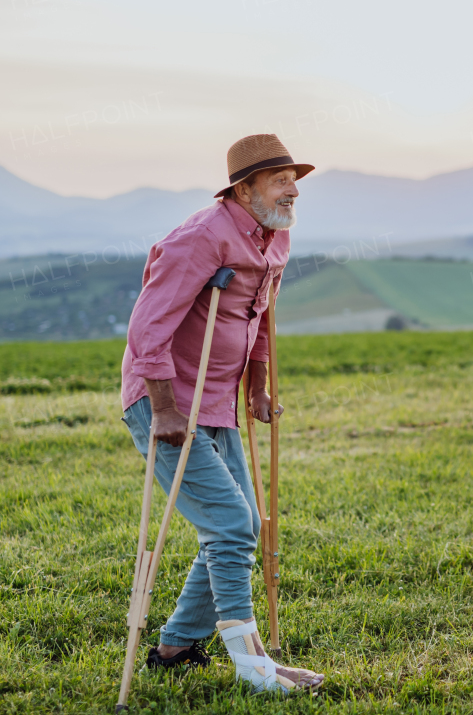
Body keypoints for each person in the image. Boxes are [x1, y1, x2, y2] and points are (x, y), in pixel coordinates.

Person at [119, 134, 323, 694]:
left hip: (217, 401)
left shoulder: (274, 239)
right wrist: (161, 409)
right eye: (280, 177)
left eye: (294, 177)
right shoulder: (200, 238)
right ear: (244, 186)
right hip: (163, 402)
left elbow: (259, 319)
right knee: (233, 526)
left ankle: (178, 645)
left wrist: (257, 388)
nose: (293, 188)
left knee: (241, 526)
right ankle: (252, 664)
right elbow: (147, 329)